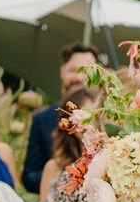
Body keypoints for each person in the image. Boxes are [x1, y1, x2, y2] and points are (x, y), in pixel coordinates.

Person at [22, 43, 101, 193]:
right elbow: (29, 177)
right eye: (73, 70)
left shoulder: (106, 117)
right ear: (62, 72)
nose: (78, 77)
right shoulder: (42, 119)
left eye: (86, 71)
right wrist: (63, 174)